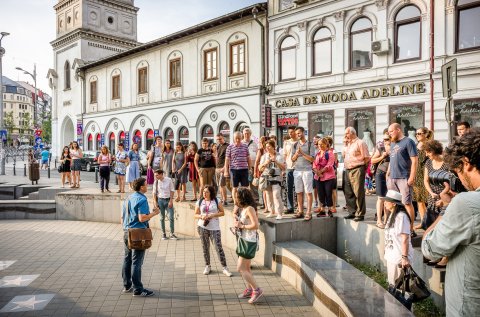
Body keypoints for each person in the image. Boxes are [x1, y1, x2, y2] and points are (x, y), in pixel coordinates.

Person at [422, 128, 480, 317]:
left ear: (466, 164)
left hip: (468, 307)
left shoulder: (466, 203)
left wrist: (448, 208)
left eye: (458, 171)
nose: (461, 180)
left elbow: (430, 248)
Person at [121, 177, 159, 297]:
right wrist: (154, 213)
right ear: (141, 187)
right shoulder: (142, 199)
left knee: (127, 259)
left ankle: (127, 286)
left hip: (127, 231)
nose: (147, 186)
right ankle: (138, 289)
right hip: (138, 233)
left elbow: (122, 217)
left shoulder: (128, 198)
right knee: (137, 261)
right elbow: (142, 218)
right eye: (146, 184)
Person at [387, 123, 418, 235]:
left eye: (391, 131)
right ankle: (396, 225)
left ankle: (410, 228)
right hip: (392, 178)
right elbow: (392, 159)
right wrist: (388, 173)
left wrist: (412, 177)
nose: (389, 134)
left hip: (404, 177)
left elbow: (414, 160)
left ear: (398, 129)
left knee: (407, 203)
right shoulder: (392, 143)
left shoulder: (408, 142)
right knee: (392, 203)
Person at [194, 185, 232, 277]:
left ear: (211, 192)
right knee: (205, 247)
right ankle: (207, 266)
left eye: (206, 192)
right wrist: (201, 216)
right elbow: (195, 214)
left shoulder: (216, 200)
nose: (204, 193)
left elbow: (222, 212)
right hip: (202, 227)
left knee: (218, 248)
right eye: (203, 191)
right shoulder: (200, 201)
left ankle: (225, 267)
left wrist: (213, 215)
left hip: (215, 228)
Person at [423, 140, 449, 268]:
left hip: (444, 197)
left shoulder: (447, 162)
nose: (427, 155)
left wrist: (442, 196)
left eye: (428, 152)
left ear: (433, 151)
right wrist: (431, 193)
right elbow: (426, 181)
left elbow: (449, 183)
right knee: (433, 228)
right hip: (432, 197)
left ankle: (445, 257)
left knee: (444, 228)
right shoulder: (428, 162)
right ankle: (437, 255)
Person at [235, 187, 263, 304]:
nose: (235, 197)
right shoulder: (245, 208)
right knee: (246, 269)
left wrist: (242, 226)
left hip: (249, 241)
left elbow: (256, 225)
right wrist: (239, 223)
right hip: (245, 239)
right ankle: (250, 290)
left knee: (240, 268)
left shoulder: (250, 209)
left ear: (242, 197)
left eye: (237, 195)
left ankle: (257, 290)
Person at [383, 190, 413, 291]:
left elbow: (405, 238)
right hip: (391, 256)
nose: (385, 203)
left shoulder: (401, 216)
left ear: (394, 203)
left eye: (387, 201)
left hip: (398, 258)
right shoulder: (392, 215)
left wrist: (404, 258)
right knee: (392, 285)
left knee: (399, 288)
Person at [342, 127, 370, 221]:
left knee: (358, 192)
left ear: (353, 133)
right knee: (348, 192)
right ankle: (352, 212)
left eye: (347, 133)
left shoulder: (360, 143)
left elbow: (366, 157)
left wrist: (362, 169)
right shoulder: (348, 144)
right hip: (347, 169)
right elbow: (344, 156)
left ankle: (360, 213)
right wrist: (345, 144)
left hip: (357, 169)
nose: (345, 135)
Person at [291, 127, 316, 221]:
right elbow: (292, 159)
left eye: (299, 133)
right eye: (296, 133)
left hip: (307, 170)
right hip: (297, 170)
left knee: (308, 192)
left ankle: (309, 212)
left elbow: (312, 159)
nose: (298, 135)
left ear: (303, 133)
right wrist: (296, 155)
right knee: (299, 192)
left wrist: (303, 153)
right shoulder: (295, 145)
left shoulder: (310, 144)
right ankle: (300, 211)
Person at [258, 139, 285, 220]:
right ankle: (272, 211)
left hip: (276, 178)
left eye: (269, 146)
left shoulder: (279, 155)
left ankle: (279, 213)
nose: (268, 148)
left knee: (276, 195)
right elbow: (260, 169)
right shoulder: (264, 156)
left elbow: (283, 167)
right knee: (268, 196)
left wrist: (275, 161)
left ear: (274, 147)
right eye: (266, 147)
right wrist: (266, 162)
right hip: (267, 177)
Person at [224, 132, 250, 212]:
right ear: (234, 138)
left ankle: (244, 202)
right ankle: (236, 203)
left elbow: (248, 157)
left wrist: (250, 168)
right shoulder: (230, 147)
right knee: (234, 187)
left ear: (241, 138)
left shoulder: (245, 146)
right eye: (236, 138)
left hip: (244, 169)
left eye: (239, 138)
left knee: (245, 187)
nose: (238, 140)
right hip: (234, 169)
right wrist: (226, 170)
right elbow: (227, 160)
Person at [371, 132, 391, 228]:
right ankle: (379, 220)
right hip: (380, 173)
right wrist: (382, 156)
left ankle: (387, 220)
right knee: (381, 198)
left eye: (387, 139)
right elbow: (372, 160)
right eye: (384, 139)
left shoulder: (396, 147)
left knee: (388, 198)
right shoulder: (381, 147)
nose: (385, 141)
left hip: (391, 175)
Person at [413, 127, 432, 229]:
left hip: (425, 174)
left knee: (428, 201)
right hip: (416, 175)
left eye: (420, 133)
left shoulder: (428, 145)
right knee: (420, 201)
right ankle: (423, 222)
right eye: (416, 134)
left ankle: (430, 222)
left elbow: (431, 161)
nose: (417, 135)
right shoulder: (416, 145)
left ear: (426, 134)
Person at [312, 138, 336, 218]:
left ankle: (329, 209)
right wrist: (317, 172)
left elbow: (329, 165)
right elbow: (314, 164)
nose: (320, 146)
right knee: (320, 193)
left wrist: (320, 172)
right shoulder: (317, 154)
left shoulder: (330, 153)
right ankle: (322, 210)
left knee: (328, 193)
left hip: (328, 177)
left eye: (322, 144)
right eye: (319, 144)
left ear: (326, 144)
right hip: (318, 177)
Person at [152, 169, 177, 240]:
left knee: (171, 217)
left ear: (161, 174)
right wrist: (155, 202)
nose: (156, 177)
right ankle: (164, 234)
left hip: (168, 200)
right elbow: (154, 193)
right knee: (161, 218)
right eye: (155, 175)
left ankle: (172, 233)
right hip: (160, 201)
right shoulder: (156, 182)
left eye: (157, 175)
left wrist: (171, 200)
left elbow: (172, 190)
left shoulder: (169, 180)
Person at [283, 126, 298, 214]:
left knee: (299, 189)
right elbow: (285, 155)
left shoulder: (299, 142)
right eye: (289, 132)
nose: (290, 134)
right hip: (289, 167)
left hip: (298, 167)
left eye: (292, 132)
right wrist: (284, 166)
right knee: (289, 188)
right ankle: (290, 207)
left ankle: (299, 206)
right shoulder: (286, 143)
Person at [242, 128, 259, 201]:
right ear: (243, 134)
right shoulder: (241, 143)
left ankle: (255, 198)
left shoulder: (254, 143)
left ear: (250, 134)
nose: (246, 135)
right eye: (245, 133)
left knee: (253, 183)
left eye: (248, 133)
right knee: (244, 183)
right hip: (243, 166)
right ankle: (245, 198)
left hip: (252, 166)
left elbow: (257, 154)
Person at [254, 136, 268, 211]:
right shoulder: (261, 150)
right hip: (261, 170)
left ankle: (266, 203)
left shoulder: (268, 149)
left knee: (266, 188)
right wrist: (255, 172)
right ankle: (262, 203)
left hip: (267, 170)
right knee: (262, 187)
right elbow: (256, 162)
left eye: (260, 141)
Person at [215, 134, 229, 206]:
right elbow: (217, 157)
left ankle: (225, 200)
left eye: (220, 139)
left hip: (223, 168)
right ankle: (222, 198)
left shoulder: (227, 146)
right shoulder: (218, 146)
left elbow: (228, 158)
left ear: (223, 138)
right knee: (219, 185)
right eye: (217, 139)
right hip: (217, 167)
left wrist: (224, 168)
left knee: (222, 184)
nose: (219, 141)